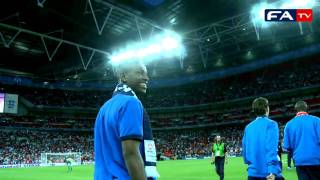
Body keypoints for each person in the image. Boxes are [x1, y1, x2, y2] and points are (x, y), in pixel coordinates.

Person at [94, 60, 160, 180]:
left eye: (146, 73)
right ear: (123, 76)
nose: (146, 78)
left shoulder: (103, 108)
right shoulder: (131, 103)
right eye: (140, 73)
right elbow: (131, 153)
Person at [242, 97, 283, 180]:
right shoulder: (271, 124)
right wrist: (272, 171)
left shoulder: (248, 127)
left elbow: (245, 149)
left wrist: (249, 163)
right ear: (267, 108)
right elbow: (271, 148)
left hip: (252, 173)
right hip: (268, 174)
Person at [283, 101, 320, 180]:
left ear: (295, 110)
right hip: (316, 159)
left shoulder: (289, 124)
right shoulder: (317, 120)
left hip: (300, 161)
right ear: (307, 108)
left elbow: (286, 146)